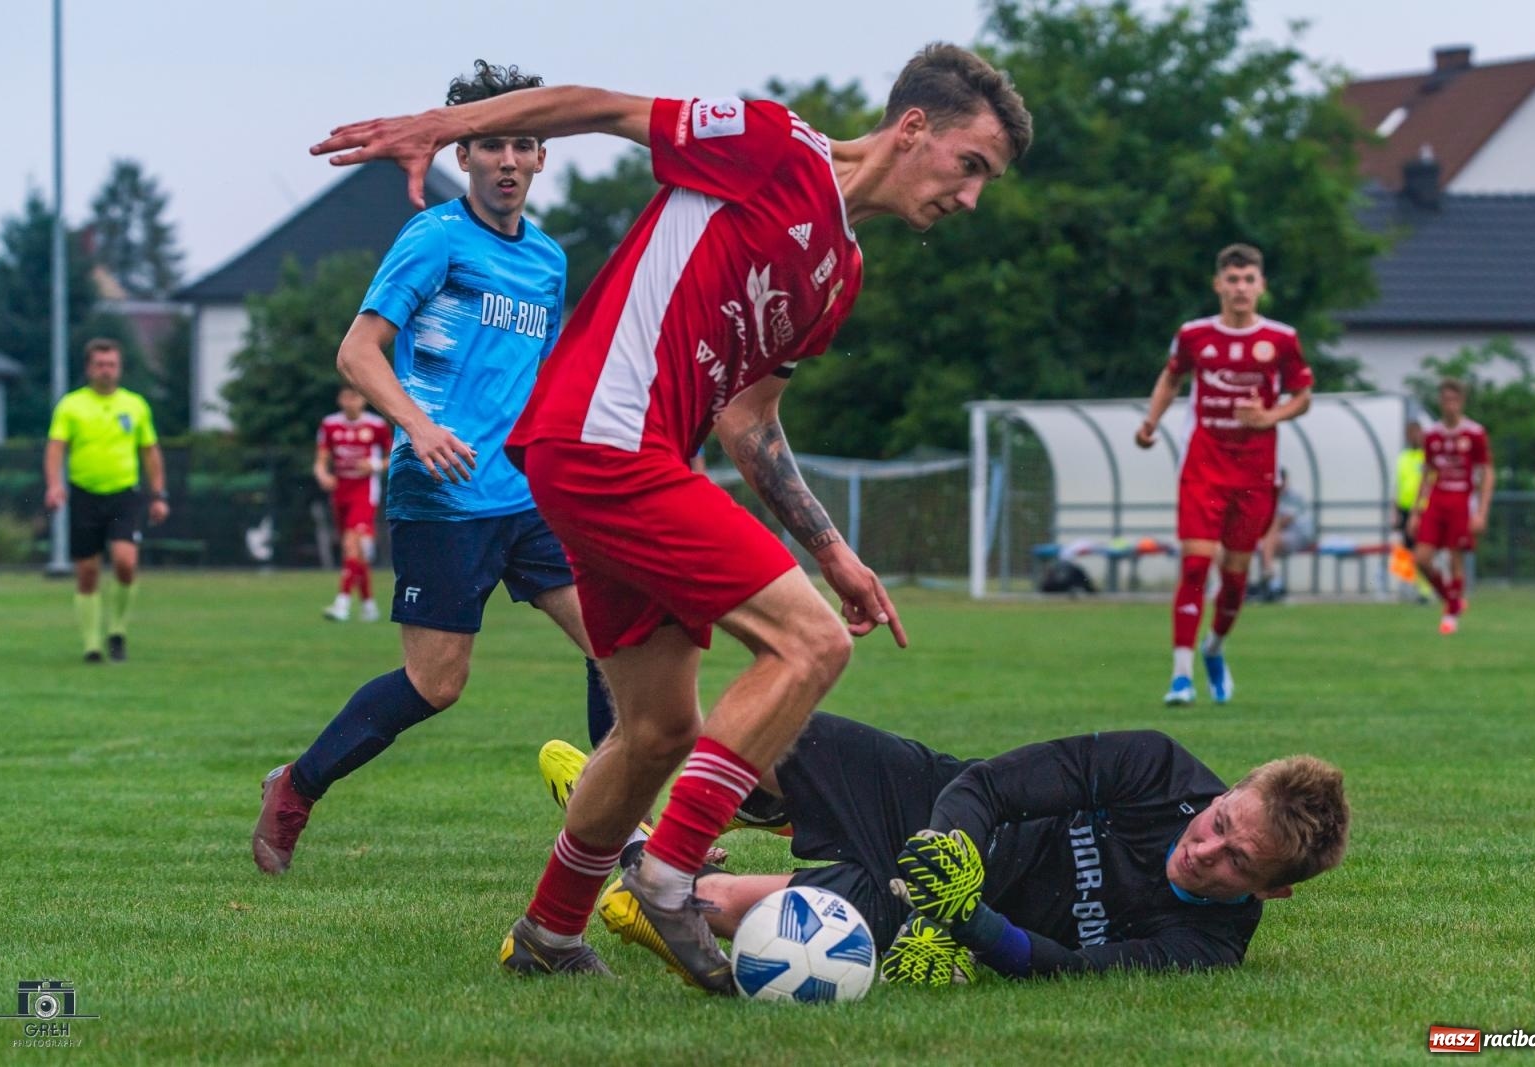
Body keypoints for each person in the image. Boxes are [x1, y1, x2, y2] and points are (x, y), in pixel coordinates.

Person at [310, 42, 1032, 989]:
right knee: (811, 646)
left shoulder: (839, 275)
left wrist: (834, 552)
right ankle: (670, 871)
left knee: (655, 727)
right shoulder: (779, 147)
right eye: (969, 166)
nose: (970, 197)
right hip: (602, 438)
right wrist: (440, 128)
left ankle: (550, 934)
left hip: (614, 462)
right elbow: (601, 106)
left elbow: (751, 422)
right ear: (912, 130)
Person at [253, 60, 615, 875]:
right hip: (442, 494)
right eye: (491, 145)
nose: (510, 161)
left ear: (544, 155)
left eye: (526, 142)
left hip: (526, 496)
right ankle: (297, 785)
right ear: (463, 154)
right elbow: (358, 351)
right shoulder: (435, 238)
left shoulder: (549, 260)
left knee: (615, 646)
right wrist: (419, 426)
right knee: (436, 683)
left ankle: (620, 832)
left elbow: (539, 378)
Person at [544, 712, 1348, 983]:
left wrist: (966, 919)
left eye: (1239, 861)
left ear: (1271, 891)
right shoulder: (1160, 767)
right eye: (1217, 821)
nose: (1207, 848)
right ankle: (687, 824)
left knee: (781, 930)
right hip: (944, 811)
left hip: (959, 912)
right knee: (797, 733)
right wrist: (947, 848)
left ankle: (638, 854)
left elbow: (1065, 971)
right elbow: (994, 783)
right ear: (1228, 789)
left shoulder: (1209, 946)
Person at [1134, 244, 1313, 706]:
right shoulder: (1194, 336)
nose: (1240, 288)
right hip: (1204, 467)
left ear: (1261, 286)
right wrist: (1150, 423)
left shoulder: (1282, 339)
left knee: (1235, 579)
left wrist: (1270, 416)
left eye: (1248, 279)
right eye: (1231, 280)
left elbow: (1303, 395)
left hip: (1255, 473)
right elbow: (1171, 378)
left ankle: (1214, 647)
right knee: (1195, 564)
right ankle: (1180, 675)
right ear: (1218, 285)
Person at [43, 337, 170, 663]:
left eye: (111, 364)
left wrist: (158, 495)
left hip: (124, 495)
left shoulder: (135, 405)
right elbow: (56, 448)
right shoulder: (71, 405)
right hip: (85, 494)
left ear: (120, 368)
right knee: (87, 571)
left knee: (126, 562)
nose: (106, 371)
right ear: (89, 368)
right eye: (100, 364)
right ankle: (91, 645)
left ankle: (117, 631)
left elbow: (150, 452)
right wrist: (54, 485)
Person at [1407, 379, 1494, 634]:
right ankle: (1453, 601)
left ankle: (1451, 617)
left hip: (1461, 499)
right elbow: (1427, 474)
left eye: (1454, 400)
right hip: (1436, 500)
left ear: (1462, 402)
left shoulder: (1474, 433)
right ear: (1440, 403)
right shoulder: (1432, 434)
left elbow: (1487, 472)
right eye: (1446, 400)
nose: (1450, 405)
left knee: (1455, 556)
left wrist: (1481, 511)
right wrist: (1415, 511)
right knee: (1421, 559)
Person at [315, 383, 393, 622]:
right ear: (340, 399)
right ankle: (369, 605)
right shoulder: (330, 425)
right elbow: (321, 459)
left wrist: (376, 465)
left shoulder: (376, 426)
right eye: (346, 396)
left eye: (356, 397)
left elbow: (395, 456)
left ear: (364, 399)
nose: (351, 401)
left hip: (364, 492)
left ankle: (342, 603)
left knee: (351, 545)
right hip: (340, 492)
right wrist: (322, 474)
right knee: (355, 552)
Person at [1253, 468, 1313, 601]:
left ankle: (1270, 576)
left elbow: (1283, 521)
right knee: (1265, 540)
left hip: (1299, 535)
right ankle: (1271, 578)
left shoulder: (1295, 496)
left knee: (1270, 531)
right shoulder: (1270, 496)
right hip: (1278, 538)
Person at [1391, 419, 1431, 603]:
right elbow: (1398, 486)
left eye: (1417, 432)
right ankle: (1410, 586)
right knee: (1406, 550)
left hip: (1423, 509)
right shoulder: (1404, 457)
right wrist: (1395, 509)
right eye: (1410, 433)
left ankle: (1425, 589)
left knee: (1421, 549)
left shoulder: (1427, 457)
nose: (1414, 436)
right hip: (1405, 508)